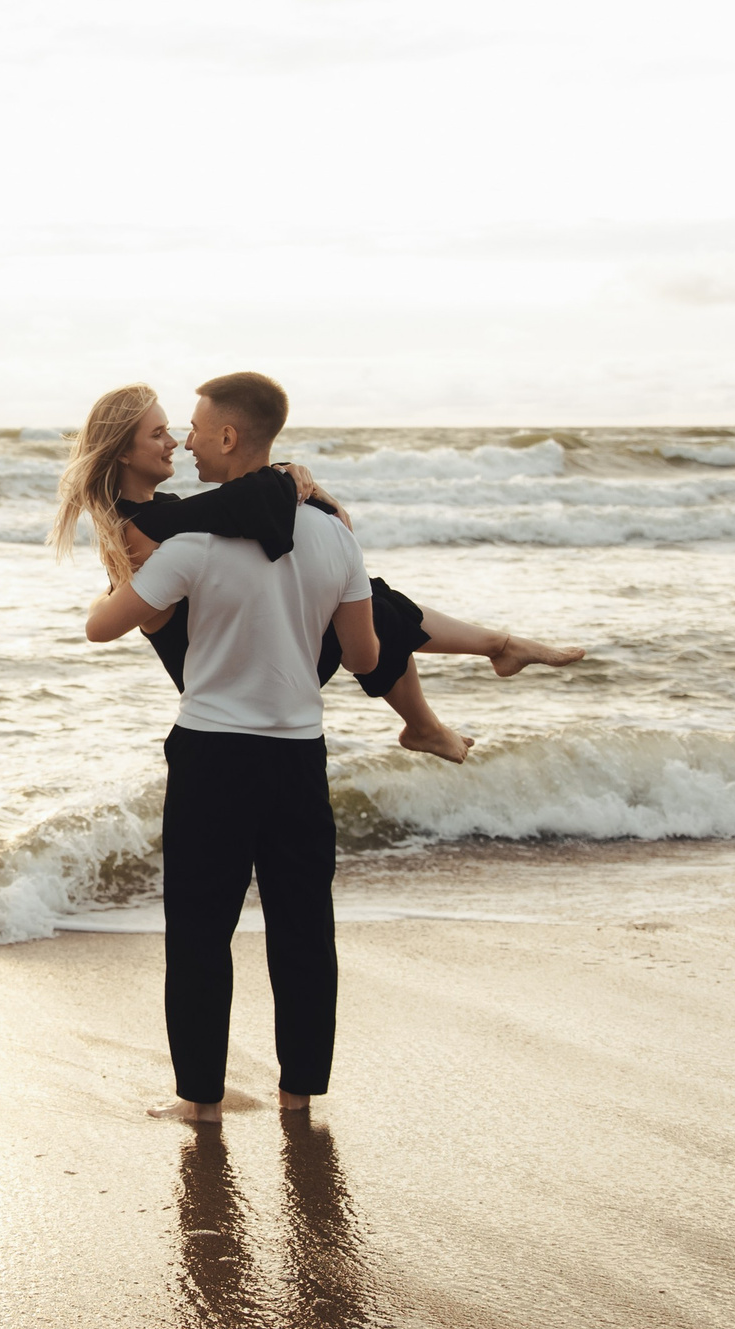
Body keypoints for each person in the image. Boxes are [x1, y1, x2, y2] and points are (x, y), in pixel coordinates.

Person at [82, 372, 376, 1124]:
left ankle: (202, 1103)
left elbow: (101, 628)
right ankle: (297, 1095)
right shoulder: (335, 533)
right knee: (303, 928)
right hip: (297, 756)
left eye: (193, 426)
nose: (185, 439)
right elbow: (364, 655)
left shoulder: (192, 544)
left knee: (201, 932)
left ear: (228, 434)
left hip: (212, 755)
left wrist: (122, 584)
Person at [50, 382, 583, 762]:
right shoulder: (142, 528)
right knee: (370, 606)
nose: (177, 442)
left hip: (241, 668)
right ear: (123, 453)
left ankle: (480, 666)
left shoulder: (154, 515)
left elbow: (250, 509)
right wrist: (290, 479)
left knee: (368, 597)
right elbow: (260, 507)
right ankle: (448, 700)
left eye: (175, 430)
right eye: (159, 433)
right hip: (224, 684)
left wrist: (292, 481)